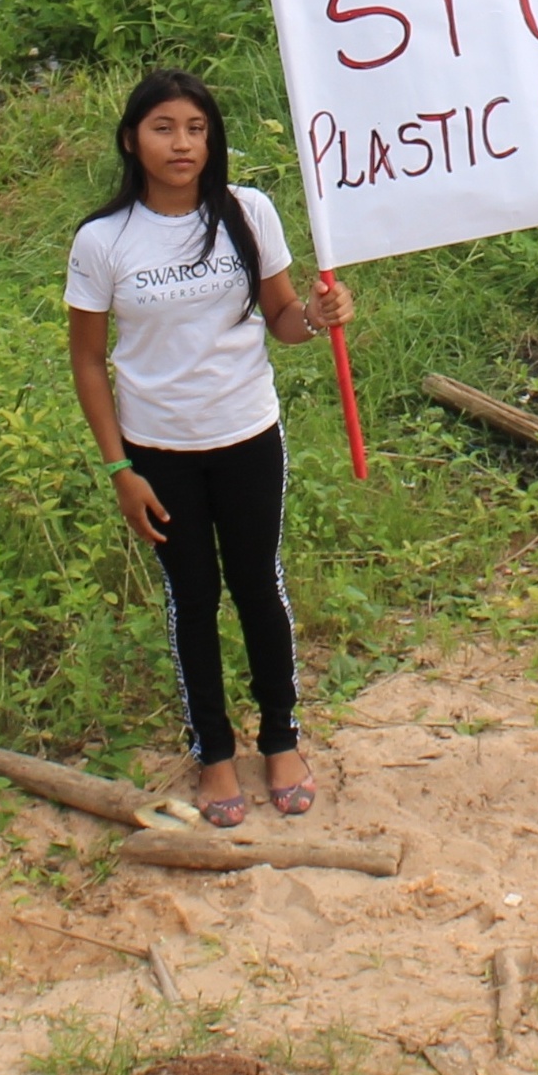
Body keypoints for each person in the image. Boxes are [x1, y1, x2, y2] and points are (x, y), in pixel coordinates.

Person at [66, 69, 353, 826]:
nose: (182, 143)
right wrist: (120, 469)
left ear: (212, 137)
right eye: (163, 128)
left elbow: (283, 319)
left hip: (247, 434)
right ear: (133, 139)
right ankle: (215, 752)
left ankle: (281, 739)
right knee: (192, 598)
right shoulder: (104, 240)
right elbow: (88, 361)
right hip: (158, 450)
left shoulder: (246, 213)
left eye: (195, 128)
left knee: (258, 585)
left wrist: (319, 315)